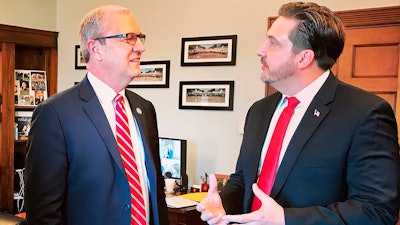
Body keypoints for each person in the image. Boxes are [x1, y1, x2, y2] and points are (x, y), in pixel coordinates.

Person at [196, 2, 400, 225]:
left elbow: (376, 210)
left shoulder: (366, 113)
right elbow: (244, 180)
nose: (260, 50)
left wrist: (286, 219)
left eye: (272, 43)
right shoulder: (259, 111)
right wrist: (223, 202)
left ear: (304, 58)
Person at [25, 5, 169, 225]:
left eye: (140, 38)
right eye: (129, 38)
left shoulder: (144, 109)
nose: (140, 47)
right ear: (95, 48)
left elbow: (155, 193)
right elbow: (43, 214)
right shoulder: (55, 114)